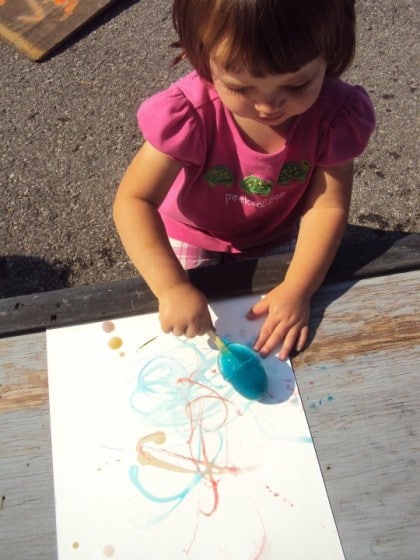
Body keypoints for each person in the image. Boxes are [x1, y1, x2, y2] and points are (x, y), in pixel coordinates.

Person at [113, 0, 375, 360]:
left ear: (334, 50)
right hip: (193, 230)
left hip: (274, 232)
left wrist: (298, 288)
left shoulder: (334, 117)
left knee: (289, 333)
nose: (268, 107)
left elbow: (327, 205)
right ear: (202, 56)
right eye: (240, 87)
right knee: (184, 330)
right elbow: (134, 201)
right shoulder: (190, 113)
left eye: (297, 85)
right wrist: (171, 287)